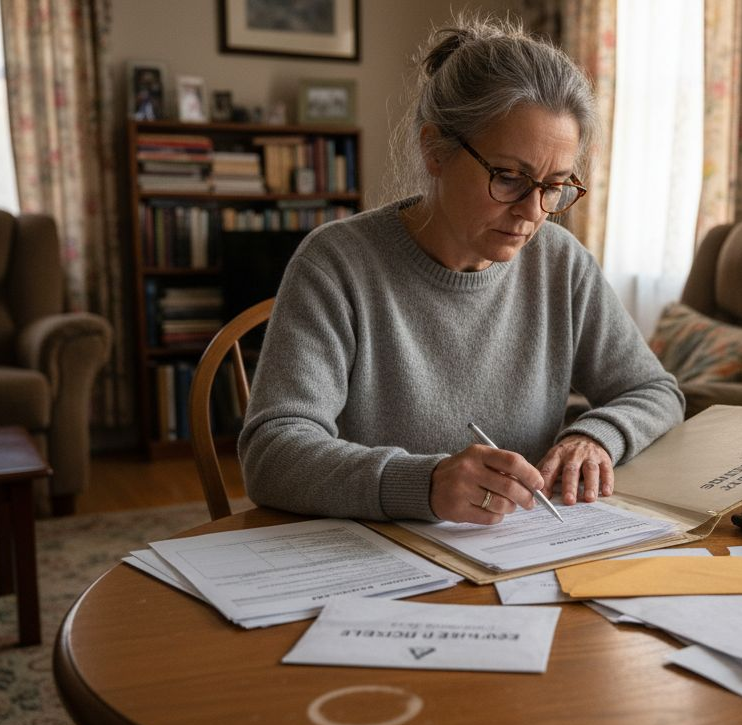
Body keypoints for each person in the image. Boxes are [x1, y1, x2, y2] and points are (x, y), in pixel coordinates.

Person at [239, 14, 684, 525]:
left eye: (555, 185)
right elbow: (271, 452)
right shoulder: (338, 263)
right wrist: (423, 484)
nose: (533, 211)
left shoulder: (560, 261)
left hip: (526, 549)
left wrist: (595, 436)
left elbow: (655, 391)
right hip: (377, 550)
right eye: (509, 177)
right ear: (434, 149)